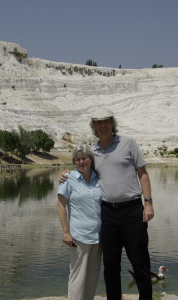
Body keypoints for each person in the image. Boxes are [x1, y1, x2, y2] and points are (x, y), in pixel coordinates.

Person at [60, 107, 155, 300]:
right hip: (107, 214)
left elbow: (143, 175)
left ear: (112, 124)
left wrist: (148, 203)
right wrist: (65, 175)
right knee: (111, 266)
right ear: (93, 127)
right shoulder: (93, 151)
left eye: (106, 122)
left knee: (140, 263)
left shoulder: (128, 143)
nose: (102, 126)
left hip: (132, 210)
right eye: (98, 123)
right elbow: (83, 171)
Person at [57, 144, 102, 300]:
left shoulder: (98, 177)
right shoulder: (68, 179)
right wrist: (66, 232)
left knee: (92, 276)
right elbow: (61, 205)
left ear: (90, 159)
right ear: (74, 162)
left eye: (84, 158)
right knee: (77, 276)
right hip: (79, 235)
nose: (82, 162)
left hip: (98, 236)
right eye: (77, 160)